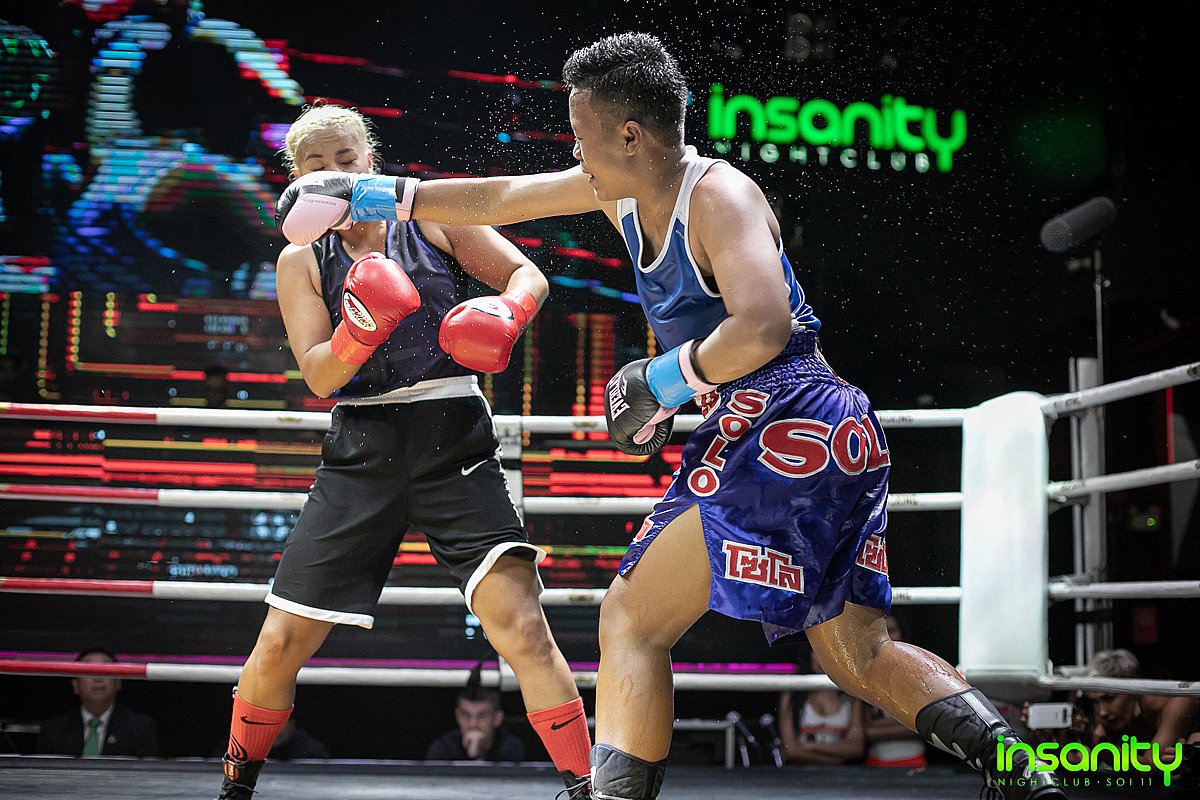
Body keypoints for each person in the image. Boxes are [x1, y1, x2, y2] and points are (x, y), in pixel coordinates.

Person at [275, 34, 1065, 800]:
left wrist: (662, 379)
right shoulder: (622, 185)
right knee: (858, 654)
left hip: (784, 417)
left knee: (631, 620)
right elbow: (503, 199)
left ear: (628, 135)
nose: (574, 151)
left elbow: (765, 326)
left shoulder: (719, 196)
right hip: (812, 427)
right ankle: (1021, 773)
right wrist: (372, 195)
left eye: (582, 134)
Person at [217, 103, 592, 800]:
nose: (335, 173)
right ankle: (235, 788)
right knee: (281, 641)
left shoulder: (429, 213)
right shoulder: (301, 261)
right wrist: (361, 328)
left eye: (347, 158)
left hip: (454, 437)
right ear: (296, 177)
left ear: (371, 159)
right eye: (317, 164)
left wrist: (507, 311)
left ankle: (586, 789)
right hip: (362, 447)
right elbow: (320, 374)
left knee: (522, 625)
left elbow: (528, 276)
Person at [1080, 649, 1198, 766]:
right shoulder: (1114, 715)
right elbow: (1084, 760)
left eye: (1109, 698)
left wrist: (1101, 747)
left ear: (1133, 689)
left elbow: (1150, 767)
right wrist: (1078, 735)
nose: (1102, 712)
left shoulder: (1177, 703)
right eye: (1095, 702)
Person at [36, 648, 160, 758]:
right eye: (89, 672)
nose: (98, 679)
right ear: (75, 685)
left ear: (118, 682)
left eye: (106, 671)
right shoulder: (54, 729)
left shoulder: (140, 728)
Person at [778, 649, 865, 766]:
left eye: (827, 651)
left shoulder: (851, 694)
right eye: (816, 651)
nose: (822, 658)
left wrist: (811, 746)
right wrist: (834, 761)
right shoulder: (792, 693)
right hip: (802, 772)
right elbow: (791, 750)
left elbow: (856, 747)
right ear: (809, 654)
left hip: (840, 774)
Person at [862, 615, 928, 769]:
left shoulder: (919, 674)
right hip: (874, 766)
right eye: (880, 632)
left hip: (914, 762)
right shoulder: (864, 675)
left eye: (891, 630)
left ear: (902, 635)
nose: (886, 638)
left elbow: (924, 727)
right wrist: (907, 722)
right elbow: (865, 731)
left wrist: (878, 727)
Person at [425, 686, 528, 762]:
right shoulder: (443, 747)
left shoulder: (512, 747)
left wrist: (478, 755)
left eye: (482, 716)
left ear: (497, 718)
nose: (473, 724)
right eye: (466, 715)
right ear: (457, 716)